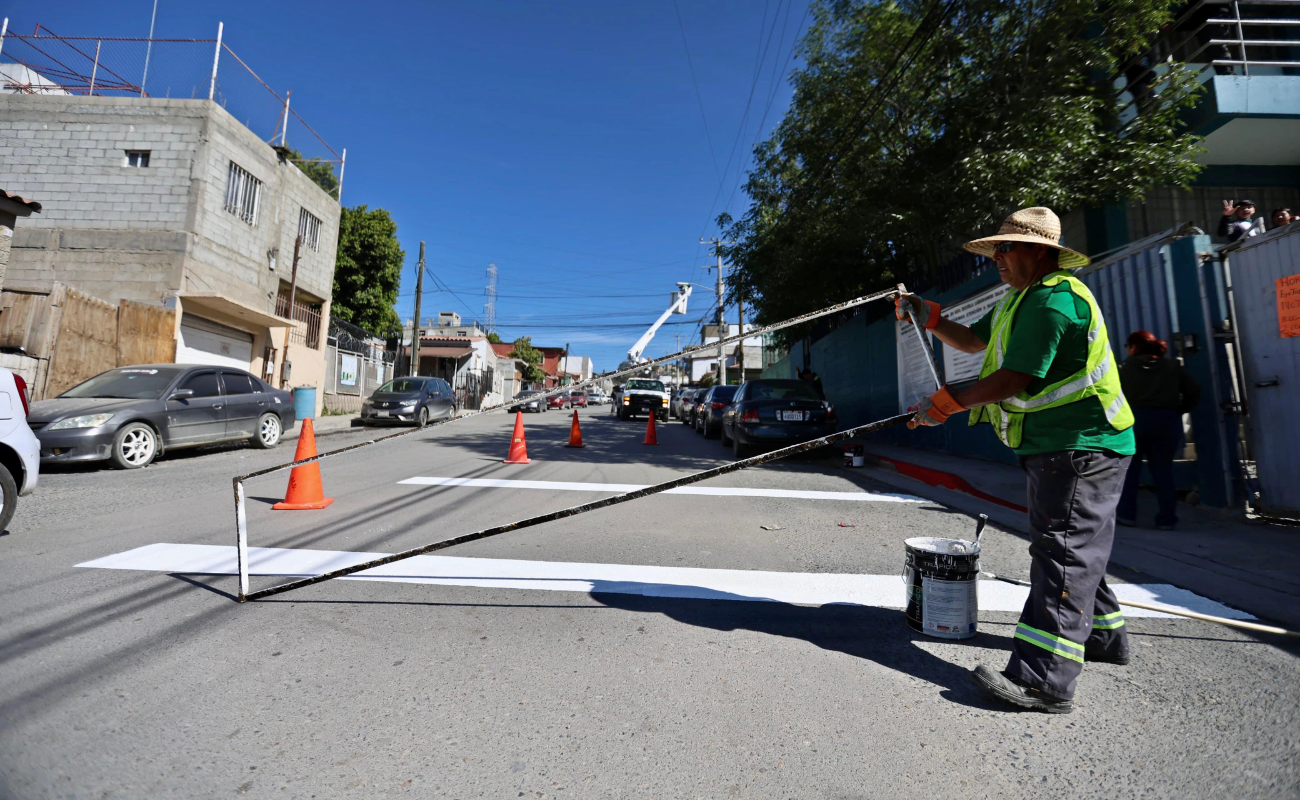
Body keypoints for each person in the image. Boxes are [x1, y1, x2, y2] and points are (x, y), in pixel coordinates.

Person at [895, 207, 1135, 715]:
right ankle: (1105, 637)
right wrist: (929, 314)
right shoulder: (1019, 300)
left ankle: (1044, 681)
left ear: (1040, 252)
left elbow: (1015, 379)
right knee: (1075, 543)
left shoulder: (1055, 303)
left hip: (1081, 446)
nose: (998, 259)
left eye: (1007, 248)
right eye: (996, 250)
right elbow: (973, 341)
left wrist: (945, 404)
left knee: (1064, 553)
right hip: (1058, 446)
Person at [1116, 331, 1200, 530]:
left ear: (1133, 347)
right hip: (1166, 421)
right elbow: (1194, 391)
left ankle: (1127, 516)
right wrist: (1179, 410)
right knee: (1163, 472)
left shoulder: (1123, 368)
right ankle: (1167, 519)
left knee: (1129, 472)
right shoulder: (1173, 367)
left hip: (1132, 422)